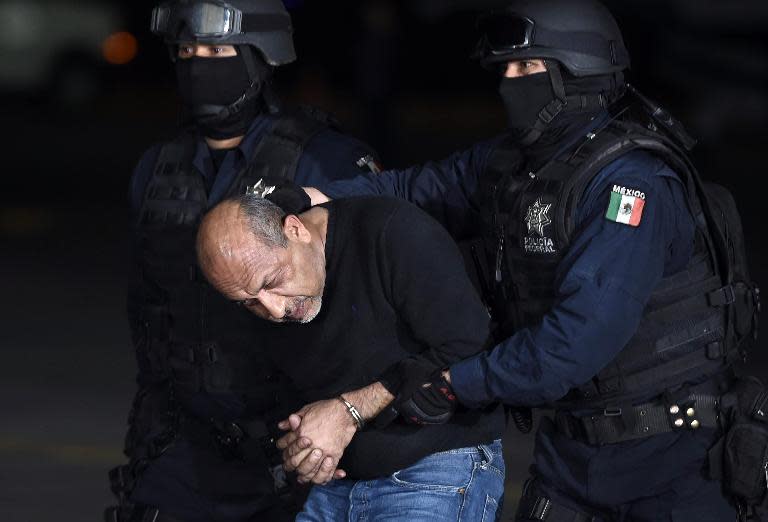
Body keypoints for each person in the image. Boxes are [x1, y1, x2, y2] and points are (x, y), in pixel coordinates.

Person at [288, 0, 760, 520]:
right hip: (571, 452)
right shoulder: (512, 163)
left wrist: (456, 384)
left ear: (578, 72)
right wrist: (315, 201)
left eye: (528, 68)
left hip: (671, 459)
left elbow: (574, 342)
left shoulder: (630, 185)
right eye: (506, 69)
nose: (510, 82)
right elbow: (413, 188)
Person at [104, 1, 380, 521]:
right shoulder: (158, 169)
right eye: (186, 52)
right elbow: (147, 314)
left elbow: (368, 306)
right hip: (182, 447)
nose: (197, 64)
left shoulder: (324, 160)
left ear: (260, 56)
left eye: (216, 50)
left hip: (293, 451)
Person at [195, 194, 506, 520]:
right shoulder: (260, 292)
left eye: (273, 282)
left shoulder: (391, 231)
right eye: (248, 302)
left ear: (295, 229)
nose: (274, 309)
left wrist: (348, 411)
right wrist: (302, 450)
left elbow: (470, 349)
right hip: (335, 487)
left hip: (435, 470)